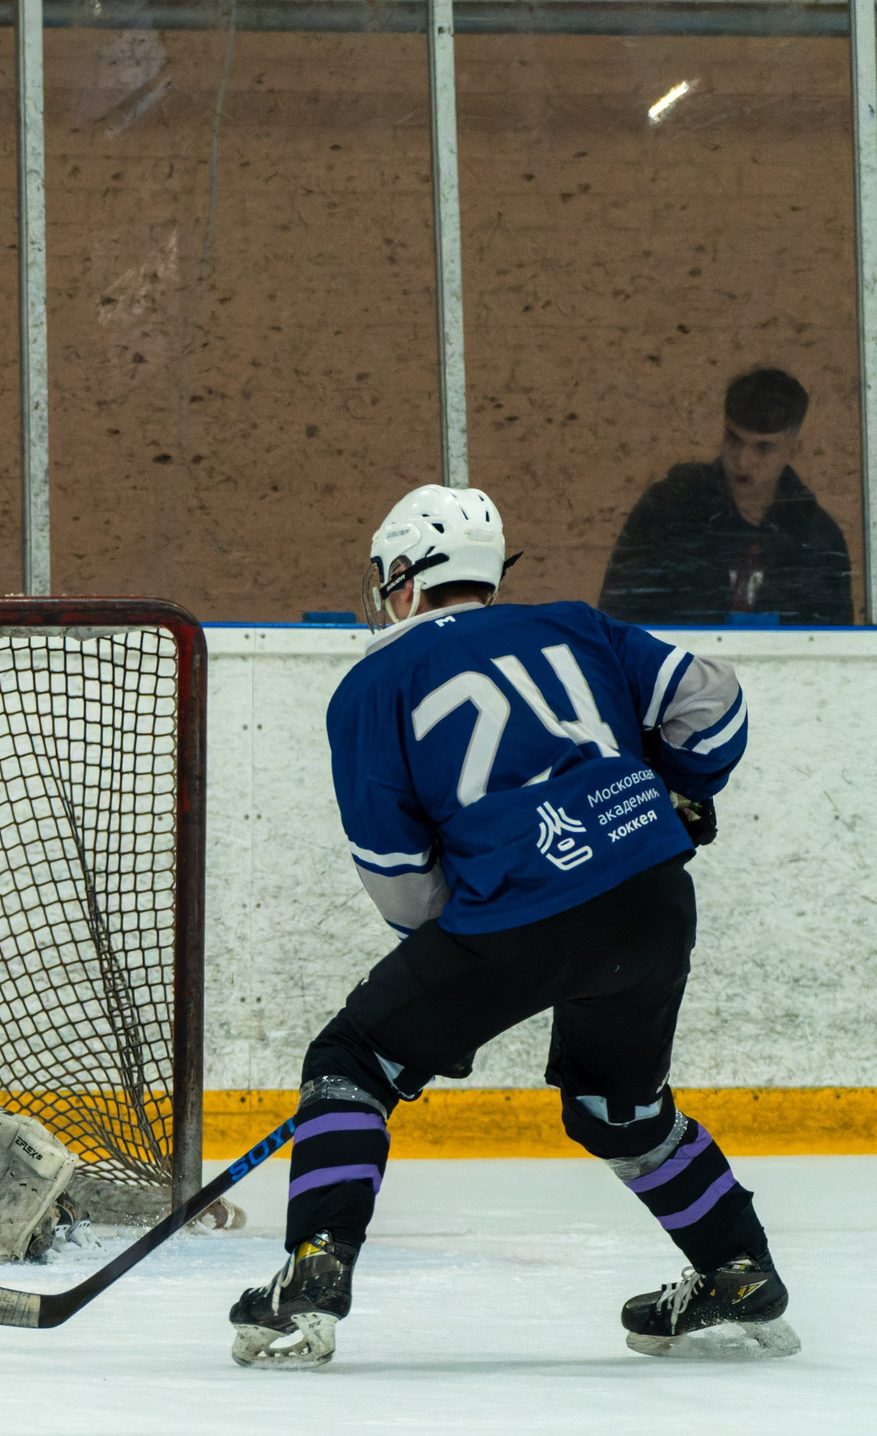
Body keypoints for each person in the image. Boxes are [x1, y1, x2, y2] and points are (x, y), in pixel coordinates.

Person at [231, 484, 798, 1369]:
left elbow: (399, 879)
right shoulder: (577, 625)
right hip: (650, 900)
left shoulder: (371, 684)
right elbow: (713, 702)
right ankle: (738, 1266)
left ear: (406, 577)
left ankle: (315, 1267)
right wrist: (681, 789)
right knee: (620, 1109)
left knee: (352, 1060)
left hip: (514, 919)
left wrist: (468, 940)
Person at [598, 367, 855, 626]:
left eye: (763, 448)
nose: (743, 461)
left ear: (793, 450)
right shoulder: (668, 511)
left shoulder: (816, 537)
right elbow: (617, 619)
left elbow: (833, 641)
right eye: (734, 440)